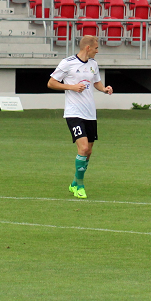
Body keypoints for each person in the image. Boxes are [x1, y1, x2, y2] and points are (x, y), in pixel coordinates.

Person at [48, 35, 114, 199]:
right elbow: (51, 82)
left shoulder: (93, 64)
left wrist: (104, 89)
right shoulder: (68, 63)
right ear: (88, 48)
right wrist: (71, 86)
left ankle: (74, 183)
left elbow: (96, 83)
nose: (97, 51)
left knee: (89, 151)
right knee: (83, 148)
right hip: (73, 113)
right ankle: (81, 186)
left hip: (90, 114)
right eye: (96, 48)